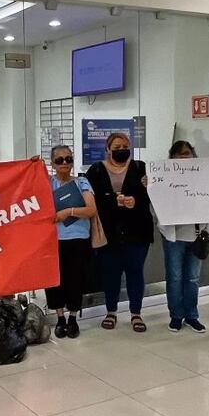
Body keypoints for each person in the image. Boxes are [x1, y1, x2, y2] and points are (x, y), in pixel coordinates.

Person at [85, 132, 154, 332]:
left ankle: (136, 314)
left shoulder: (141, 168)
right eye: (117, 147)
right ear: (107, 150)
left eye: (125, 146)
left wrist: (137, 200)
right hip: (108, 232)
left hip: (137, 231)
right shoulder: (96, 170)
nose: (122, 150)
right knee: (110, 274)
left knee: (135, 273)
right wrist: (111, 201)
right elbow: (89, 198)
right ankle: (111, 311)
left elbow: (153, 195)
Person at [44, 146, 97, 339]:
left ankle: (73, 318)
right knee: (54, 281)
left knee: (76, 280)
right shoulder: (47, 183)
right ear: (52, 163)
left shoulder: (81, 182)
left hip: (78, 240)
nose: (64, 163)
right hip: (53, 241)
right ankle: (60, 318)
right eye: (59, 160)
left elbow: (91, 210)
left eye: (68, 159)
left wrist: (68, 212)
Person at [156, 140, 209, 333]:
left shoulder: (205, 176)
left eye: (187, 154)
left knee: (193, 278)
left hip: (196, 234)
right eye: (179, 155)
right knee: (175, 277)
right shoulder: (164, 177)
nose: (184, 158)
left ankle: (192, 315)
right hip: (174, 235)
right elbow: (156, 205)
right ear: (172, 159)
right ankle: (176, 316)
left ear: (194, 156)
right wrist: (151, 186)